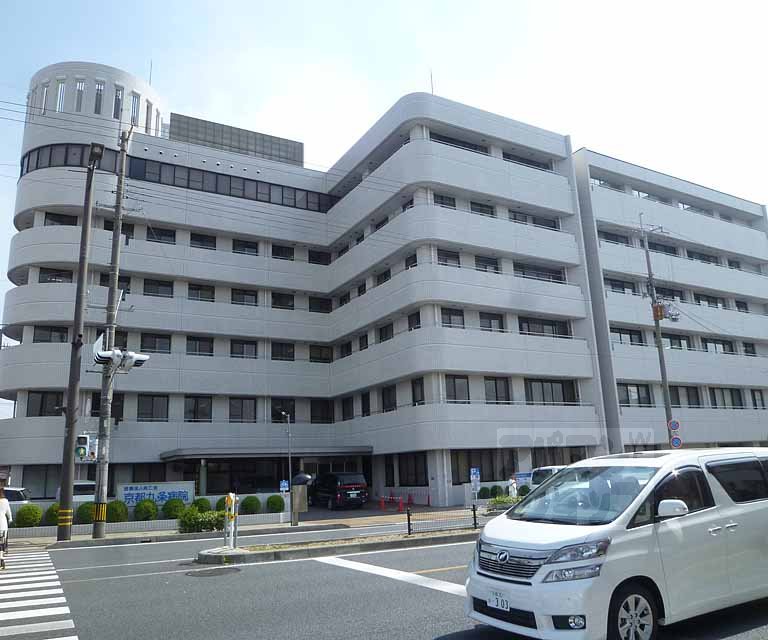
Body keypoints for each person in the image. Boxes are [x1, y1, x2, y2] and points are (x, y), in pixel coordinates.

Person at [0, 487, 11, 570]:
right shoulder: (5, 501)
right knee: (1, 543)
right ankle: (2, 559)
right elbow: (8, 512)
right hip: (3, 524)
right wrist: (10, 519)